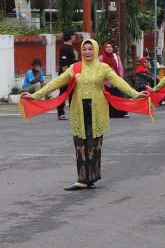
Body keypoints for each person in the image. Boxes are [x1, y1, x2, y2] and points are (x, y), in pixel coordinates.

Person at [21, 39, 147, 190]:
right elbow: (57, 82)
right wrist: (36, 95)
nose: (87, 52)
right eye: (84, 49)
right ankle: (82, 179)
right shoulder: (75, 67)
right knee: (80, 145)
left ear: (95, 50)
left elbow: (119, 81)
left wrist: (135, 94)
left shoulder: (103, 68)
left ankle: (91, 176)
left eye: (90, 49)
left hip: (97, 110)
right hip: (79, 110)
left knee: (94, 145)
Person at [99, 42, 128, 118]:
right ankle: (108, 114)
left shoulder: (116, 57)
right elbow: (98, 69)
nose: (109, 48)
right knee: (107, 98)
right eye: (107, 47)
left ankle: (120, 113)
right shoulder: (101, 58)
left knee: (118, 96)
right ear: (104, 48)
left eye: (110, 47)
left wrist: (120, 78)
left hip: (115, 80)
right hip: (105, 81)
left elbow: (120, 68)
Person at [57, 30, 79, 120]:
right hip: (66, 75)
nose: (75, 37)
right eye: (74, 35)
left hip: (74, 75)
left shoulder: (71, 48)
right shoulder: (64, 48)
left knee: (73, 94)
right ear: (70, 36)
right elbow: (63, 64)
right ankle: (60, 113)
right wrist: (68, 75)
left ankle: (73, 112)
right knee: (63, 93)